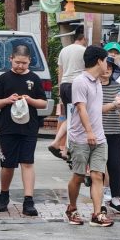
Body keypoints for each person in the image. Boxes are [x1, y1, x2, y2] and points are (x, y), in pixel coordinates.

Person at [0, 44, 48, 217]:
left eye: (24, 63)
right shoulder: (3, 79)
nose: (20, 66)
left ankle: (28, 200)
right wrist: (7, 100)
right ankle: (4, 195)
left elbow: (43, 103)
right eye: (17, 62)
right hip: (8, 127)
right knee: (7, 165)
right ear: (10, 59)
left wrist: (30, 100)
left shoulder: (35, 79)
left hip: (29, 127)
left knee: (27, 162)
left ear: (29, 61)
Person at [66, 45, 113, 227]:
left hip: (99, 139)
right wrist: (89, 132)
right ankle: (71, 208)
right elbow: (81, 108)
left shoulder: (98, 82)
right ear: (99, 61)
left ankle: (97, 213)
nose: (107, 65)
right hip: (81, 138)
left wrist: (114, 105)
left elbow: (95, 109)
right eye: (106, 60)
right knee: (78, 176)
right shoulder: (80, 81)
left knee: (97, 175)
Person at [48, 30, 87, 159]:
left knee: (70, 116)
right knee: (75, 117)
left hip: (64, 85)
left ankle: (64, 148)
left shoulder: (64, 50)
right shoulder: (83, 50)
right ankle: (61, 145)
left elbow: (61, 71)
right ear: (83, 37)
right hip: (76, 85)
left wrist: (59, 91)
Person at [99, 57, 120, 214]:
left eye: (110, 67)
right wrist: (113, 104)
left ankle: (116, 198)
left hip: (115, 131)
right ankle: (100, 200)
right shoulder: (93, 86)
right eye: (105, 66)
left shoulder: (119, 86)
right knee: (98, 168)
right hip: (97, 133)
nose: (107, 69)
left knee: (117, 166)